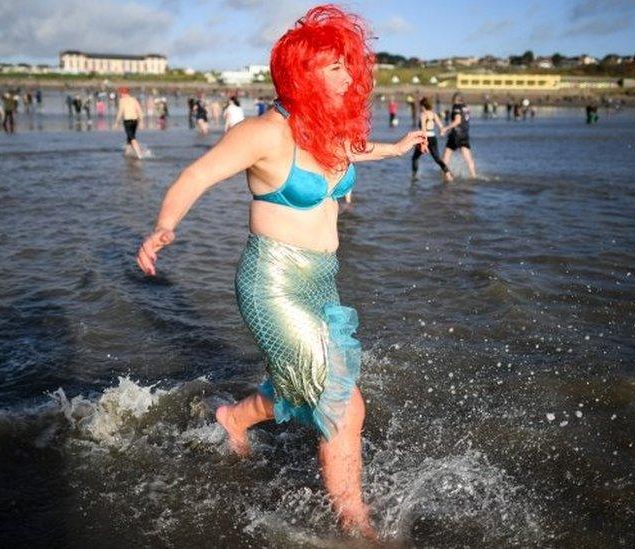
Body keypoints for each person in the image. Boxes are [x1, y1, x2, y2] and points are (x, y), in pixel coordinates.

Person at [136, 5, 426, 537]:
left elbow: (355, 152)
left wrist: (398, 147)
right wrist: (163, 226)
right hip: (273, 282)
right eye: (333, 66)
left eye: (348, 65)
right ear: (302, 72)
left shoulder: (327, 133)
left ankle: (235, 417)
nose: (348, 75)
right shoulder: (264, 133)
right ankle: (356, 526)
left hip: (320, 280)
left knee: (307, 386)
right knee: (344, 404)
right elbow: (196, 175)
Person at [411, 97, 452, 182]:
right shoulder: (433, 114)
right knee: (437, 158)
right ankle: (448, 174)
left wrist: (423, 142)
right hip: (433, 138)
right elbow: (441, 127)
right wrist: (442, 132)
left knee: (415, 158)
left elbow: (423, 129)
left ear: (423, 106)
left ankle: (414, 176)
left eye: (420, 106)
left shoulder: (423, 114)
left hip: (425, 138)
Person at [441, 93, 476, 179]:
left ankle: (445, 176)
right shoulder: (466, 108)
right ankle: (473, 175)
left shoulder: (456, 107)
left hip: (456, 135)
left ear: (454, 100)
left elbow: (457, 121)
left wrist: (446, 128)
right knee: (468, 158)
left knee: (446, 157)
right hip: (465, 135)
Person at [113, 87, 144, 158]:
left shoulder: (122, 100)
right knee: (129, 138)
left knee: (132, 138)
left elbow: (120, 112)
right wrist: (142, 122)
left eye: (121, 93)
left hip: (128, 122)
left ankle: (140, 154)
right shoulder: (134, 100)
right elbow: (140, 111)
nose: (120, 95)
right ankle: (128, 153)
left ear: (123, 93)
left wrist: (116, 123)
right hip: (135, 121)